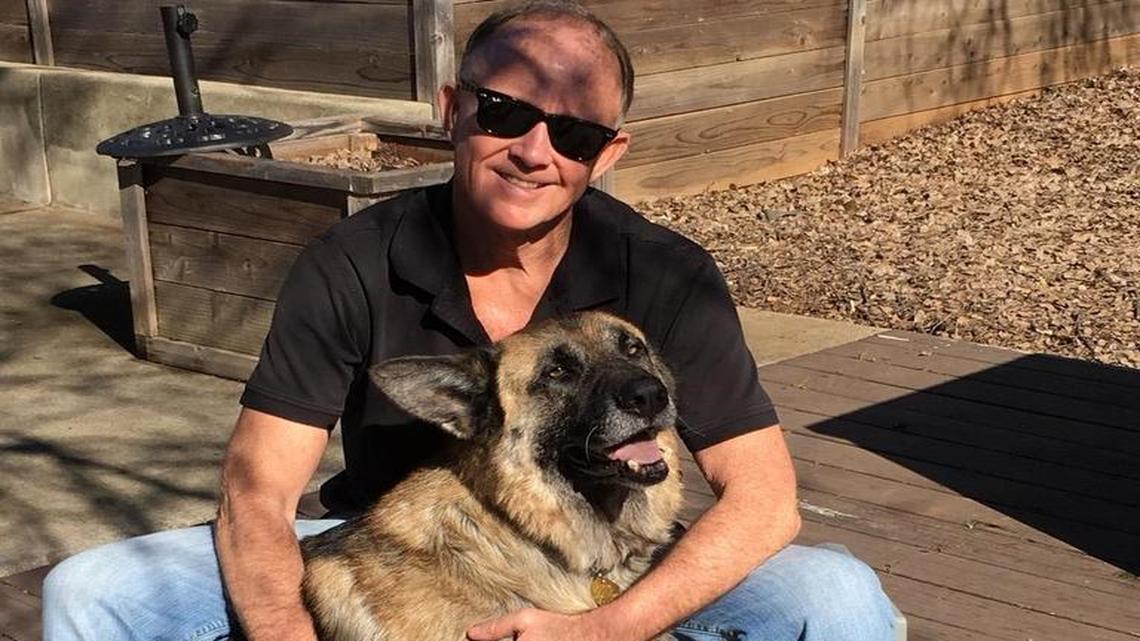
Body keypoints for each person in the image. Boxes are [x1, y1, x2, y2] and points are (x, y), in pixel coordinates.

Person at [42, 2, 897, 640]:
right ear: (452, 110)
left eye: (573, 132)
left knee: (840, 599)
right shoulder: (353, 260)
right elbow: (255, 489)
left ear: (610, 151)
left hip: (626, 557)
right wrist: (283, 631)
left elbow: (767, 498)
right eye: (505, 114)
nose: (534, 150)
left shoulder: (664, 272)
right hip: (391, 543)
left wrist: (614, 626)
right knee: (90, 589)